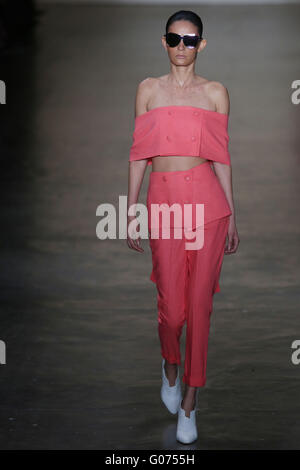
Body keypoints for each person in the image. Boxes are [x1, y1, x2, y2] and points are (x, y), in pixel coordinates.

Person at [126, 9, 239, 444]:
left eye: (190, 40)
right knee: (172, 309)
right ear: (164, 41)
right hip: (165, 206)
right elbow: (139, 152)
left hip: (209, 207)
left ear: (202, 45)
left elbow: (222, 157)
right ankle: (170, 365)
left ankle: (190, 403)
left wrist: (233, 214)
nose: (181, 47)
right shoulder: (148, 90)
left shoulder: (215, 93)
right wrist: (132, 206)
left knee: (200, 310)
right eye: (174, 38)